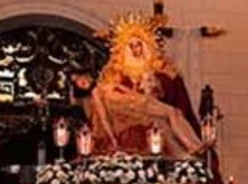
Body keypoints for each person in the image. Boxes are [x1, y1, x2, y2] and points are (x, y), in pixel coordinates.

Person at [75, 14, 205, 158]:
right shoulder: (104, 85)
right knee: (168, 117)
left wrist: (149, 87)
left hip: (140, 103)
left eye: (138, 44)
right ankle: (190, 147)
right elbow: (103, 116)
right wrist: (112, 138)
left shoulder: (158, 70)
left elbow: (126, 91)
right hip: (136, 112)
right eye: (131, 46)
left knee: (174, 113)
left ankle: (192, 145)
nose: (136, 49)